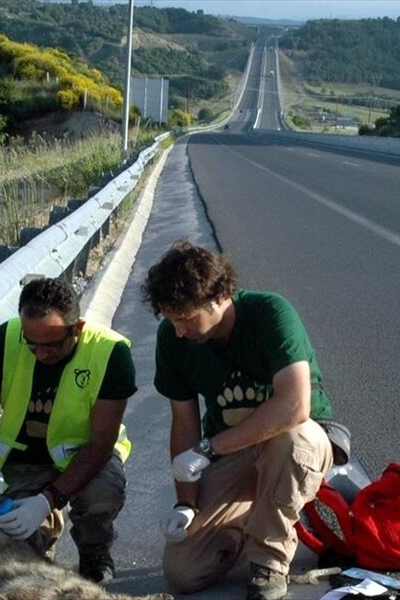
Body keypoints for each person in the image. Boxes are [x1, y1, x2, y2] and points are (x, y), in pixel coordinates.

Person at [142, 241, 335, 600]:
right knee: (184, 573)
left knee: (292, 437)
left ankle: (269, 562)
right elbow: (183, 421)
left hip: (298, 444)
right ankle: (252, 518)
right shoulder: (172, 338)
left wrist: (207, 448)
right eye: (171, 319)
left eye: (185, 317)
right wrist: (185, 503)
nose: (179, 330)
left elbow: (294, 405)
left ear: (221, 294)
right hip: (232, 452)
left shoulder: (270, 313)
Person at [0, 276, 137, 584]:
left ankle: (95, 553)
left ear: (77, 328)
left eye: (51, 345)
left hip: (86, 458)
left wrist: (47, 499)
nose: (40, 353)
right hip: (23, 462)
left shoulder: (110, 353)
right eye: (32, 344)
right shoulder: (6, 339)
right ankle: (41, 534)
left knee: (102, 492)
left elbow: (100, 444)